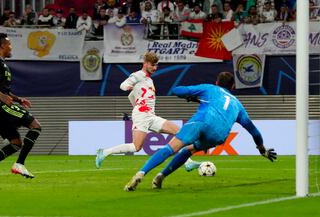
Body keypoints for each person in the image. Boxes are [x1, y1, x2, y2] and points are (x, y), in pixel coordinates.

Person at [124, 71, 277, 191]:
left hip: (202, 121)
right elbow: (254, 131)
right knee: (189, 150)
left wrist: (191, 96)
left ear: (217, 82)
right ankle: (161, 176)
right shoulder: (238, 105)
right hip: (218, 135)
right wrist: (262, 150)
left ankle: (141, 173)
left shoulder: (210, 88)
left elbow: (177, 90)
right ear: (233, 88)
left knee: (170, 148)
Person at [0, 33, 42, 182]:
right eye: (9, 44)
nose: (11, 47)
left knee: (15, 143)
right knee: (35, 126)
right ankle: (19, 164)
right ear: (3, 45)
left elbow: (1, 88)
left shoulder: (2, 63)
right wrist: (1, 96)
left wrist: (18, 99)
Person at [95, 52, 181, 168]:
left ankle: (188, 163)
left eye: (156, 66)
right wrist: (127, 86)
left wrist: (137, 106)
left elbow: (130, 96)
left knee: (179, 132)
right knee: (136, 147)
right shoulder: (138, 75)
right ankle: (104, 152)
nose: (155, 68)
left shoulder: (149, 80)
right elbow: (123, 84)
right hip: (142, 115)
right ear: (145, 63)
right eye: (152, 65)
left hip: (150, 115)